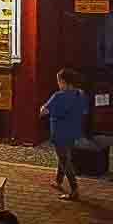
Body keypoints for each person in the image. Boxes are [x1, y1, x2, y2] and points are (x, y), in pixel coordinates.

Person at [40, 68, 88, 200]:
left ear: (64, 82)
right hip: (73, 130)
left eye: (59, 81)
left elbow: (44, 111)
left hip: (59, 131)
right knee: (66, 156)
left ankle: (74, 189)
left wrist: (43, 108)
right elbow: (84, 111)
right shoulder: (80, 94)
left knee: (64, 159)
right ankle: (58, 181)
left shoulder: (58, 96)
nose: (58, 84)